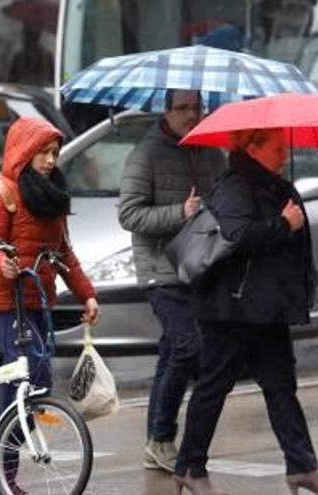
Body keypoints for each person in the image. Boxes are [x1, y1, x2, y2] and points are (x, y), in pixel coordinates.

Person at [174, 128, 318, 495]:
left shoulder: (271, 183)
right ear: (252, 148)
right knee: (214, 387)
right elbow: (236, 236)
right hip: (231, 307)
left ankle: (301, 466)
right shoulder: (234, 185)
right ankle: (190, 466)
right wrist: (283, 224)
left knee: (282, 386)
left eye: (285, 148)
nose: (283, 154)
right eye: (277, 148)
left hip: (267, 306)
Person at [0, 117, 100, 494]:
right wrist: (4, 265)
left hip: (37, 300)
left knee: (35, 379)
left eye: (54, 153)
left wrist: (87, 294)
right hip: (3, 302)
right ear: (23, 152)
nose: (50, 160)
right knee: (27, 374)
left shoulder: (53, 196)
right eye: (43, 152)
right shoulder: (1, 193)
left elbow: (65, 254)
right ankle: (0, 472)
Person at [118, 89, 226, 473]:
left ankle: (156, 443)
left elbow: (222, 198)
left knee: (171, 356)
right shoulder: (146, 154)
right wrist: (179, 212)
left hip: (198, 267)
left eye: (197, 107)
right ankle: (162, 436)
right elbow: (129, 215)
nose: (192, 115)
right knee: (187, 347)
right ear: (166, 110)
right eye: (183, 108)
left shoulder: (211, 151)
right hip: (160, 269)